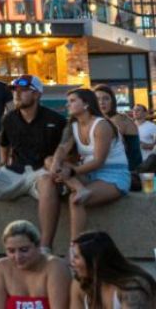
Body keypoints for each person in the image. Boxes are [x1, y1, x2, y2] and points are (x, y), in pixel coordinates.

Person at [0, 75, 66, 262]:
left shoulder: (55, 119)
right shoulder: (9, 119)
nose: (17, 94)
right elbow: (4, 143)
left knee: (47, 182)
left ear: (37, 94)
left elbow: (68, 150)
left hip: (42, 171)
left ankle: (45, 248)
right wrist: (3, 161)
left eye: (23, 90)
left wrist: (58, 164)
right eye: (15, 90)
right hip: (15, 170)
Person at [38, 88, 131, 250]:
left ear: (87, 104)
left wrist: (71, 172)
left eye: (72, 101)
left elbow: (98, 161)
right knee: (48, 160)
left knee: (76, 200)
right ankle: (80, 188)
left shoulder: (102, 125)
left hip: (113, 174)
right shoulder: (73, 125)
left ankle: (75, 250)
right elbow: (62, 148)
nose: (68, 105)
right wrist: (55, 166)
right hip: (87, 173)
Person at [0, 220, 71, 309]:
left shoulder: (55, 267)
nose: (18, 257)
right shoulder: (1, 268)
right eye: (11, 251)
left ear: (38, 246)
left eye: (24, 250)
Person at [70, 231, 156, 308]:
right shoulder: (80, 284)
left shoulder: (133, 286)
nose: (72, 262)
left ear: (95, 262)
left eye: (76, 257)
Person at [95, 84, 142, 171]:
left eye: (106, 98)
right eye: (97, 99)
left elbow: (110, 147)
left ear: (112, 101)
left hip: (129, 170)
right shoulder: (101, 120)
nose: (101, 102)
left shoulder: (118, 119)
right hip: (114, 167)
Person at [132, 104, 156, 168]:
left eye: (138, 110)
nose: (135, 112)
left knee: (148, 178)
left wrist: (149, 146)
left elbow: (154, 145)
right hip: (133, 163)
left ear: (145, 113)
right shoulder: (129, 126)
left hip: (148, 164)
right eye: (134, 110)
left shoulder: (152, 126)